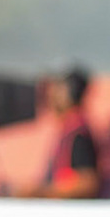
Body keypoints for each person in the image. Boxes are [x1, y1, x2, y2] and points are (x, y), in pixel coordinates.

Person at [20, 67, 103, 199]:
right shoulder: (68, 129)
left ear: (69, 92)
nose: (50, 95)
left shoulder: (79, 133)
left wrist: (44, 192)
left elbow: (88, 182)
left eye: (57, 88)